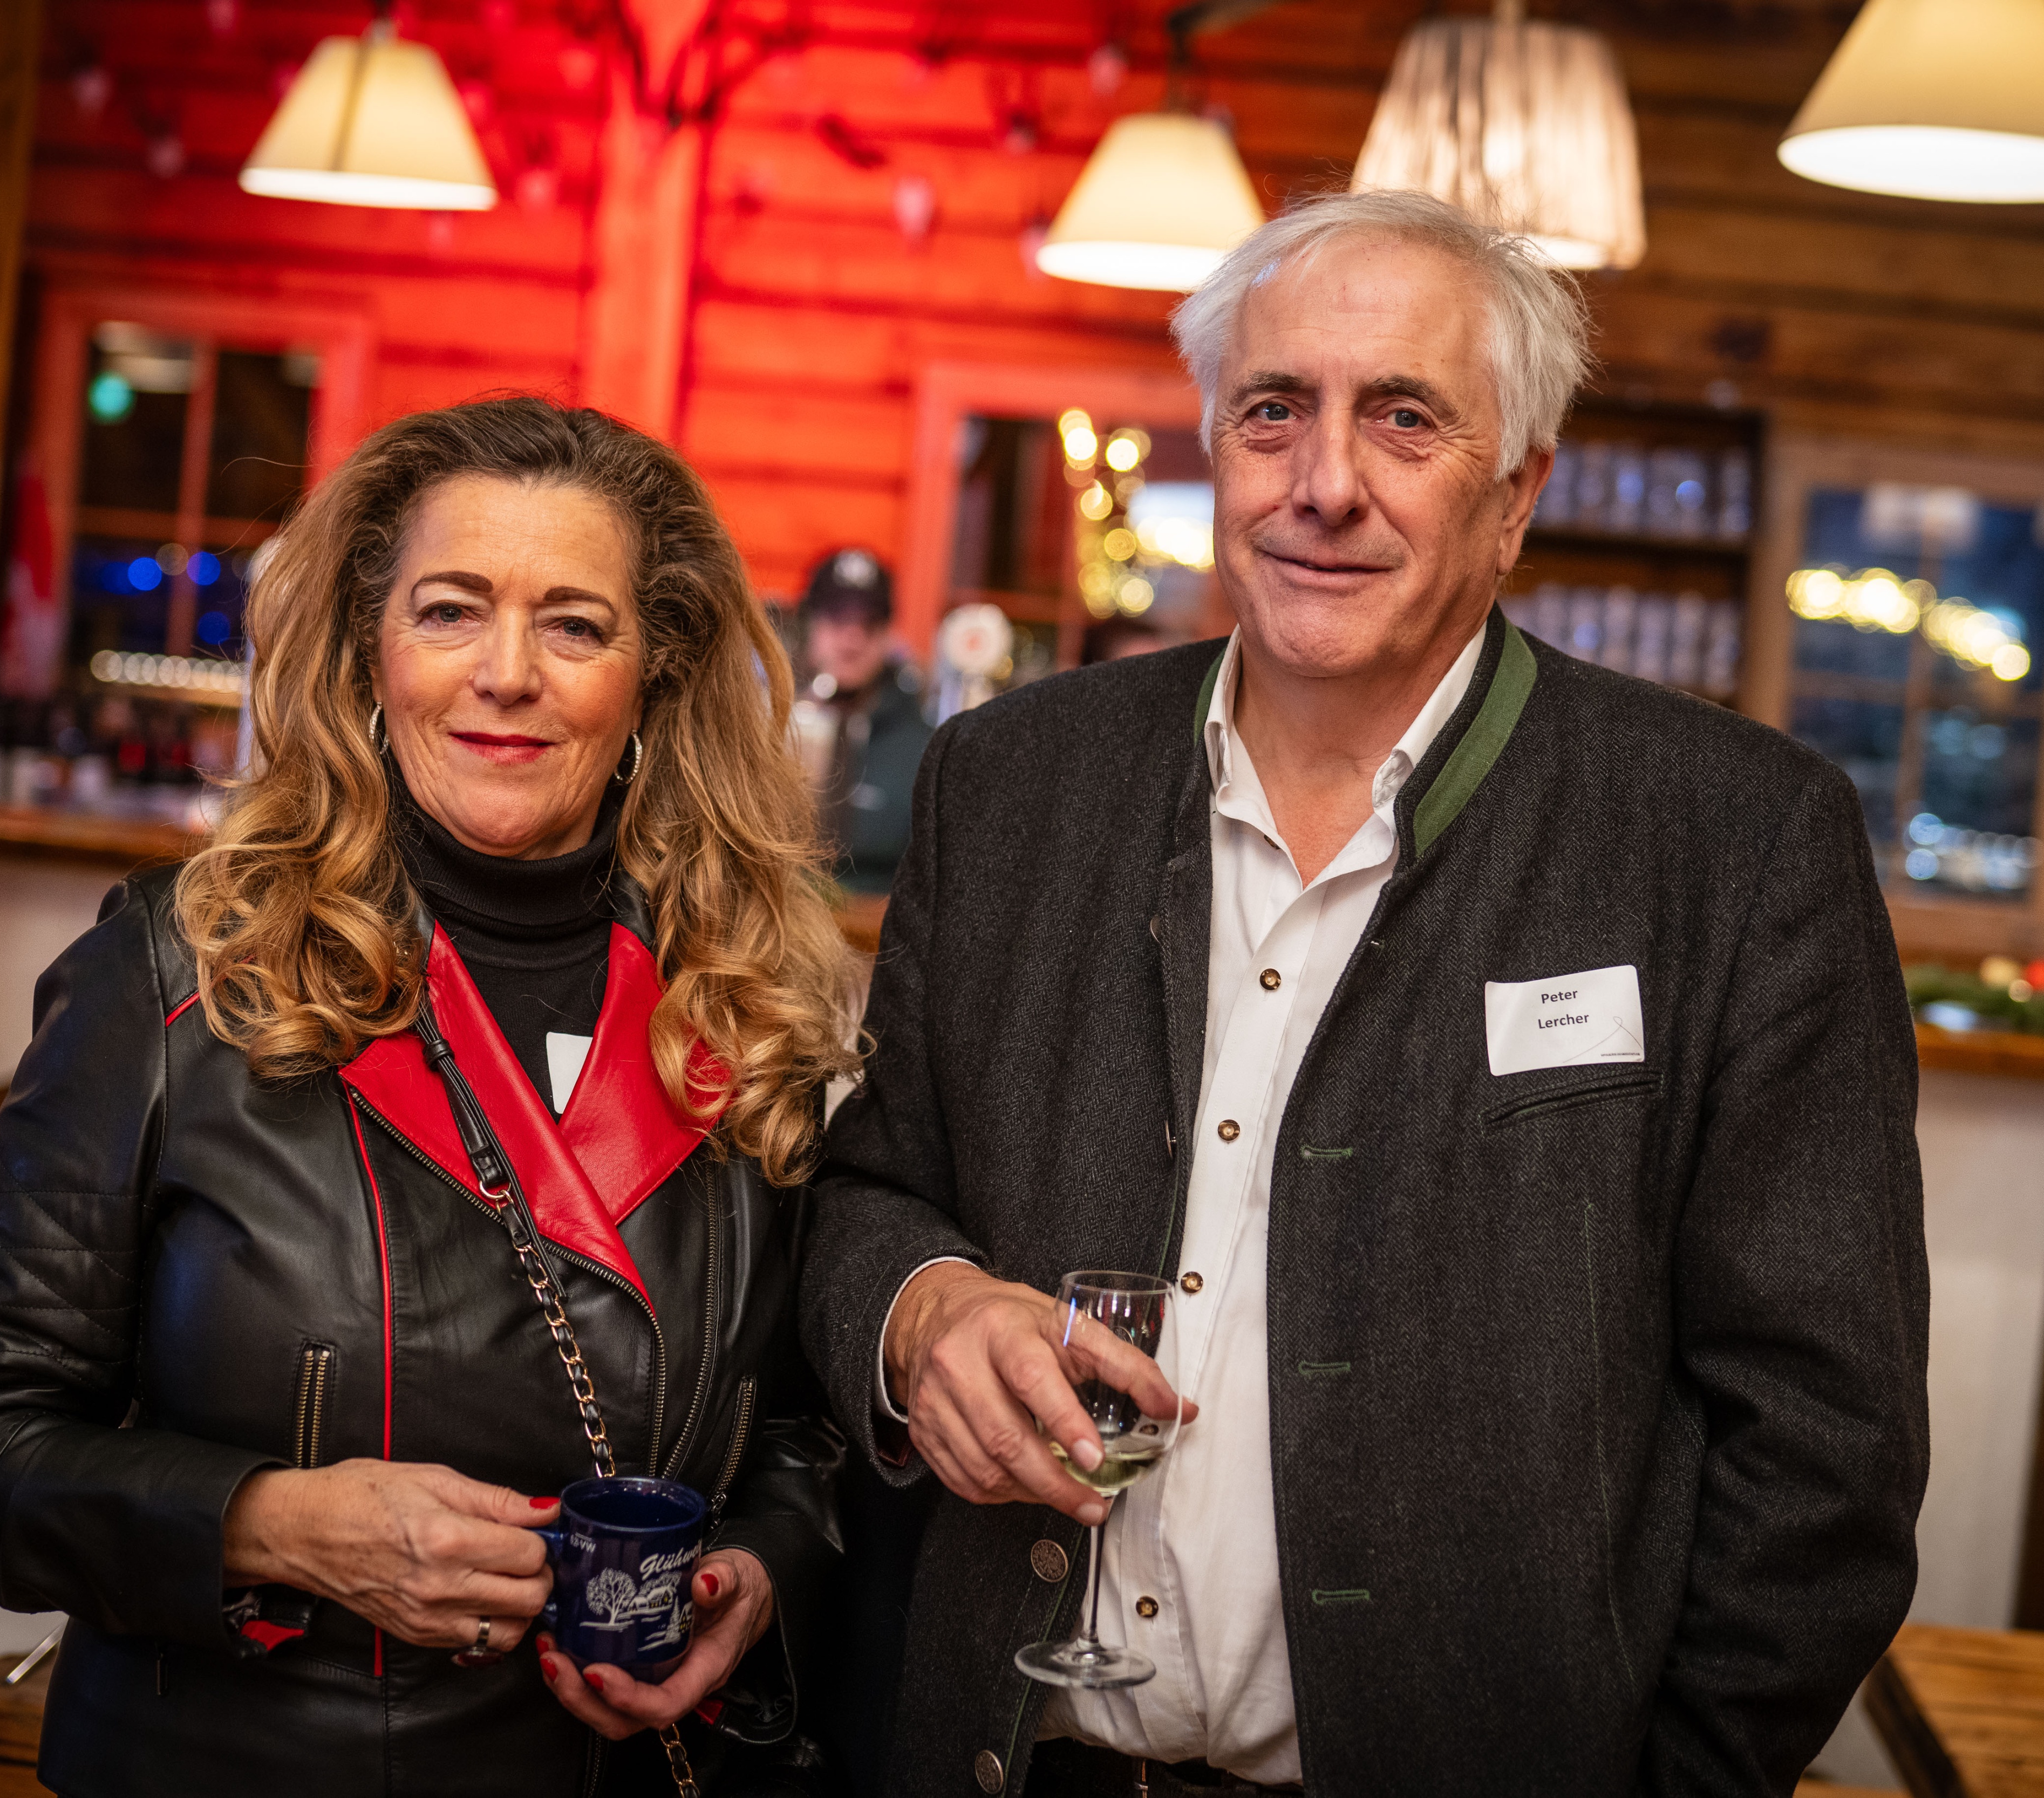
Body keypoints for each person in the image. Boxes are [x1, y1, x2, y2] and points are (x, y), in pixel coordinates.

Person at [800, 190, 1929, 1797]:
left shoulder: (1730, 843)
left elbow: (1824, 1446)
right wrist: (922, 1307)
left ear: (1516, 493)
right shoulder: (1010, 783)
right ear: (1215, 443)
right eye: (1274, 411)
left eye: (1403, 418)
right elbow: (866, 1192)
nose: (1324, 484)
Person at [0, 399, 860, 1796]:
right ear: (369, 646)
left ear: (653, 673)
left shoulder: (742, 1003)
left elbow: (801, 1430)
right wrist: (276, 1524)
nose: (508, 674)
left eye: (575, 626)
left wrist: (759, 1573)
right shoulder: (178, 973)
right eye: (451, 610)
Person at [793, 548, 931, 895]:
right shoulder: (768, 723)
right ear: (809, 624)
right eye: (837, 620)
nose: (852, 640)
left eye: (870, 625)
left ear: (889, 634)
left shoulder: (921, 745)